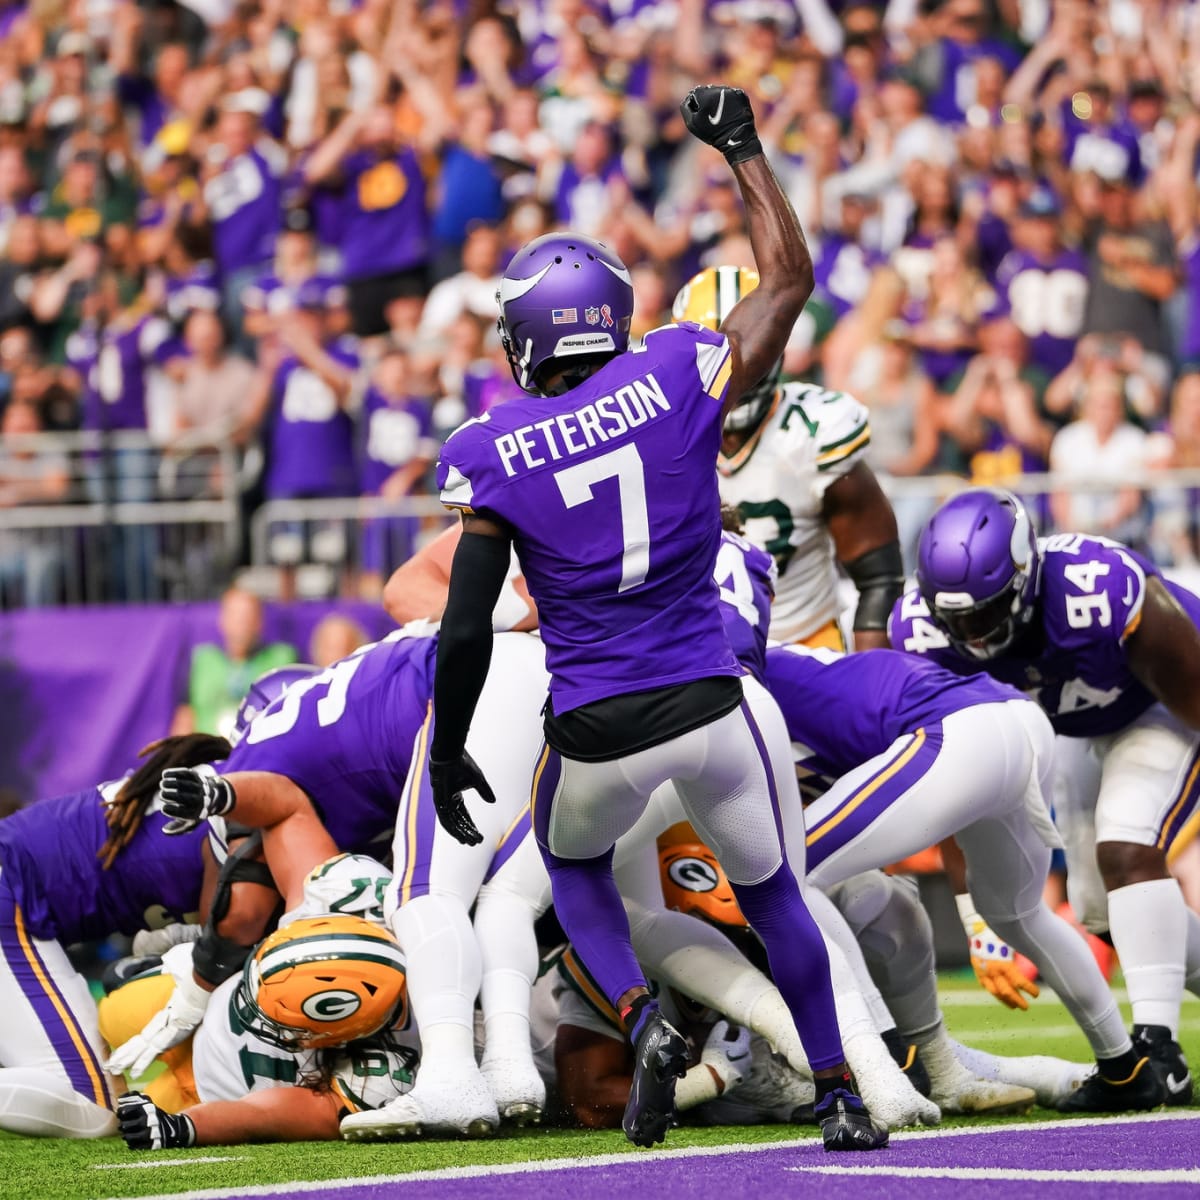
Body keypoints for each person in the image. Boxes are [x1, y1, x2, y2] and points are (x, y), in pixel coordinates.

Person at [350, 86, 886, 1153]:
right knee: (776, 895)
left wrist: (451, 749)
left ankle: (642, 1018)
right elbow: (789, 277)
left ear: (525, 336)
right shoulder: (683, 368)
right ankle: (837, 1091)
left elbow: (463, 627)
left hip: (595, 722)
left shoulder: (492, 446)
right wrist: (740, 149)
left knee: (576, 868)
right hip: (711, 698)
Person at [893, 486, 1200, 1106]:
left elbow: (1190, 686)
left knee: (1127, 845)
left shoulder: (1100, 590)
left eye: (986, 613)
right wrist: (975, 918)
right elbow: (950, 776)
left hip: (1163, 704)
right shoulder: (921, 632)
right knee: (1099, 910)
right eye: (958, 619)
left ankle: (1157, 1051)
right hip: (1073, 727)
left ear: (1027, 580)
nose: (973, 635)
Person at [672, 264, 903, 650]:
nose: (735, 373)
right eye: (717, 361)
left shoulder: (812, 434)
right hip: (700, 656)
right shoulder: (660, 436)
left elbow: (878, 579)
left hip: (805, 644)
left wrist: (870, 678)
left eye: (745, 355)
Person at [173, 587, 297, 739]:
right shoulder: (202, 660)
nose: (242, 624)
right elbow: (184, 718)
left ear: (259, 622)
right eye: (235, 616)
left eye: (248, 616)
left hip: (260, 753)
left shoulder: (282, 659)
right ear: (222, 619)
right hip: (209, 754)